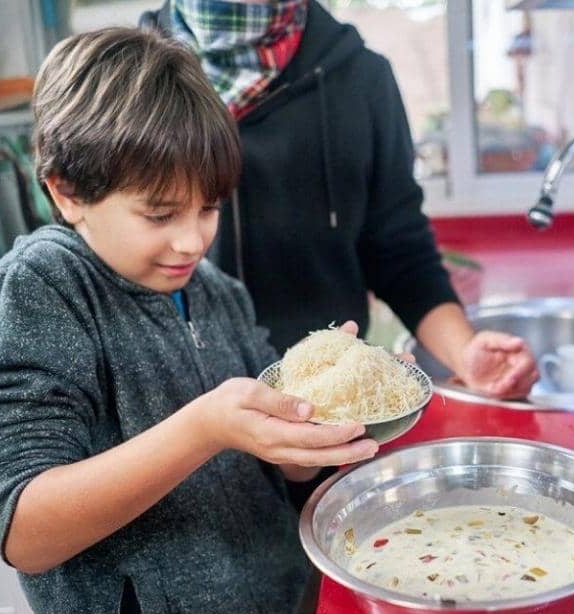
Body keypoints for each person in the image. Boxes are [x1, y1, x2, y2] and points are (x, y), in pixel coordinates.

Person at [0, 27, 377, 614]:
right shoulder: (40, 290)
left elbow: (272, 469)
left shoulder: (216, 291)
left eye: (208, 207)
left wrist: (310, 426)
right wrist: (205, 428)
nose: (192, 241)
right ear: (66, 191)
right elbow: (26, 531)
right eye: (159, 215)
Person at [140, 0, 538, 400]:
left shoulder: (363, 78)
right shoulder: (125, 87)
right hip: (172, 419)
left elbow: (401, 254)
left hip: (329, 410)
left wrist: (465, 351)